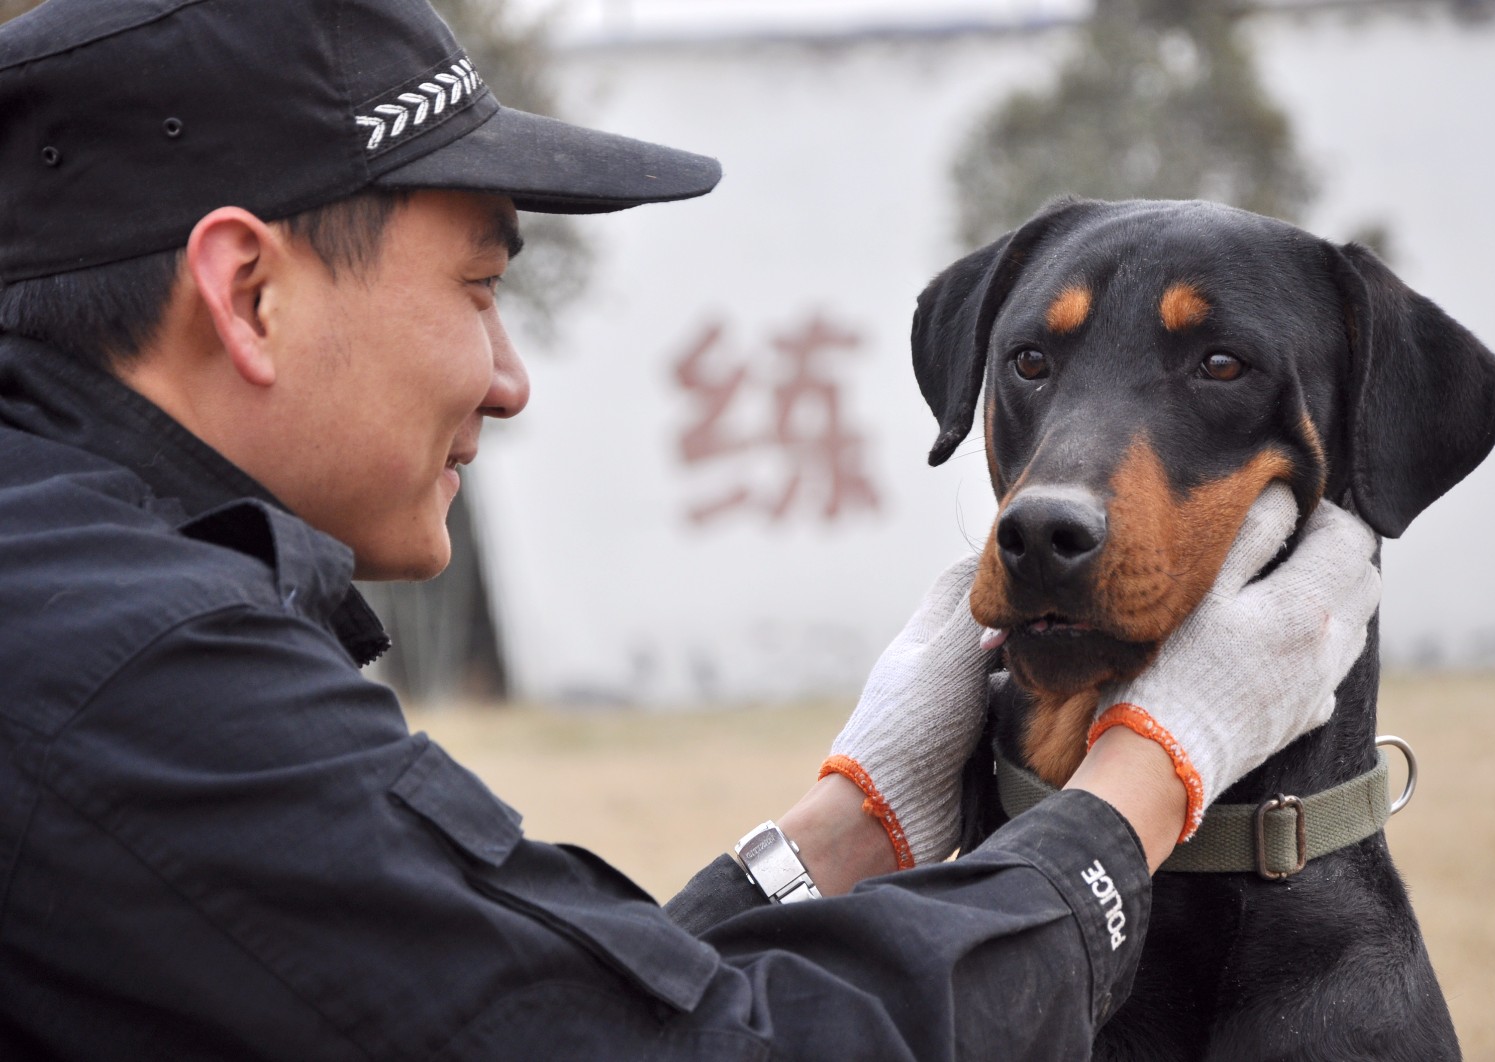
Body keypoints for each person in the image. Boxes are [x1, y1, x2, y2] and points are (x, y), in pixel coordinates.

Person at [0, 0, 1382, 1058]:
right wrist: (1143, 790)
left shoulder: (68, 586)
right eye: (480, 287)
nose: (509, 377)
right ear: (248, 293)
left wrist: (846, 826)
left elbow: (539, 1017)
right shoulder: (142, 676)